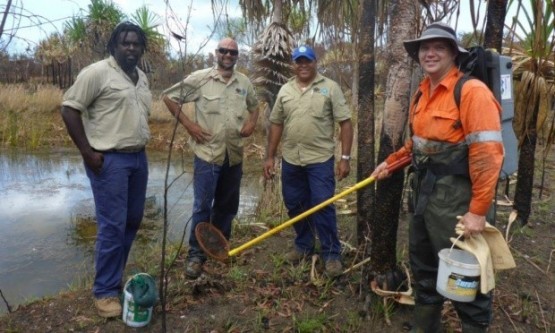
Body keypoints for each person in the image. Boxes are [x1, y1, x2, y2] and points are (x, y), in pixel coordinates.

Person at [371, 22, 504, 333]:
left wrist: (477, 211)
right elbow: (417, 145)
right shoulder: (422, 92)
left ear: (453, 54)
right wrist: (391, 163)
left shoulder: (471, 92)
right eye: (424, 48)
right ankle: (426, 327)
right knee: (424, 267)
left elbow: (488, 155)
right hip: (423, 197)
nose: (430, 53)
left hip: (457, 201)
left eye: (439, 47)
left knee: (466, 274)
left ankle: (473, 325)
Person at [61, 22, 151, 318]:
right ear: (114, 45)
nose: (131, 48)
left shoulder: (142, 78)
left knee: (132, 220)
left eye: (136, 43)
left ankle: (114, 276)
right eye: (125, 43)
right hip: (109, 161)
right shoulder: (97, 72)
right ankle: (104, 292)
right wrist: (87, 153)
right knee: (112, 225)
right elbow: (69, 108)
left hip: (138, 159)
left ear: (142, 48)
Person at [162, 38, 259, 279]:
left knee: (227, 206)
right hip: (208, 156)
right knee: (202, 206)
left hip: (233, 155)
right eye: (224, 51)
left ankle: (219, 247)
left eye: (233, 52)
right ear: (216, 53)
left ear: (237, 56)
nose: (228, 55)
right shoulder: (201, 78)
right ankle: (196, 254)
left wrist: (251, 122)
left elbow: (255, 106)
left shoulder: (243, 82)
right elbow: (168, 97)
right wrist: (189, 125)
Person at [263, 45, 353, 278]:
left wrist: (344, 158)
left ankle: (331, 253)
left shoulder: (330, 88)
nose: (303, 65)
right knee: (294, 203)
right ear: (293, 64)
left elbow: (345, 122)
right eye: (298, 61)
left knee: (322, 204)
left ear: (315, 63)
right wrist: (270, 156)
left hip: (320, 159)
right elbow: (276, 124)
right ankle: (303, 245)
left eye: (307, 61)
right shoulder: (285, 90)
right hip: (292, 158)